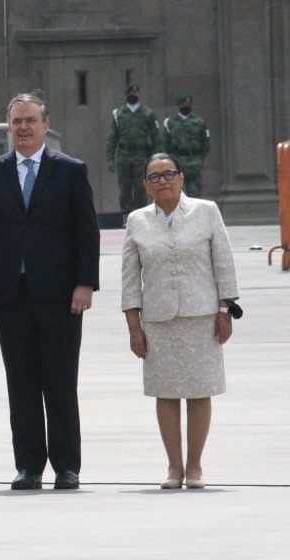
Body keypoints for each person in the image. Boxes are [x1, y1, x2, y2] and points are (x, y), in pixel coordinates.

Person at [0, 94, 100, 491]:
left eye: (30, 120)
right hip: (10, 294)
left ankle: (66, 466)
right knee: (21, 381)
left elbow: (86, 232)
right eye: (16, 122)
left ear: (46, 125)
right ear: (8, 127)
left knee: (60, 381)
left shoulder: (71, 171)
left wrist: (84, 283)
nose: (23, 128)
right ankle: (28, 465)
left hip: (61, 294)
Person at [121, 153, 239, 490]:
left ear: (182, 178)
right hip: (158, 319)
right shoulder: (137, 220)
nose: (163, 181)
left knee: (200, 392)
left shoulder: (206, 212)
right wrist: (134, 326)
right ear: (145, 184)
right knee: (166, 393)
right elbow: (130, 278)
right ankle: (174, 467)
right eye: (154, 177)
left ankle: (196, 465)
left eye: (168, 174)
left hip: (202, 315)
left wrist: (225, 310)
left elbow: (224, 264)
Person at [107, 84, 161, 219]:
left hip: (141, 155)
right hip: (124, 155)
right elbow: (112, 136)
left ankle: (141, 216)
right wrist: (110, 157)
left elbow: (156, 136)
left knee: (140, 188)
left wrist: (157, 158)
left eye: (135, 93)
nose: (133, 95)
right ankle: (126, 216)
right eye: (131, 93)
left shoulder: (148, 113)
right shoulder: (118, 113)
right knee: (124, 188)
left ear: (139, 95)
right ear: (126, 96)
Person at [162, 95, 210, 198]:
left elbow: (206, 143)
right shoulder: (170, 122)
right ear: (179, 105)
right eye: (184, 104)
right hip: (177, 161)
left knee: (194, 195)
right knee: (175, 193)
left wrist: (199, 159)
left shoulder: (200, 122)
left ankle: (193, 214)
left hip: (194, 162)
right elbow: (165, 143)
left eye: (188, 104)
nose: (186, 106)